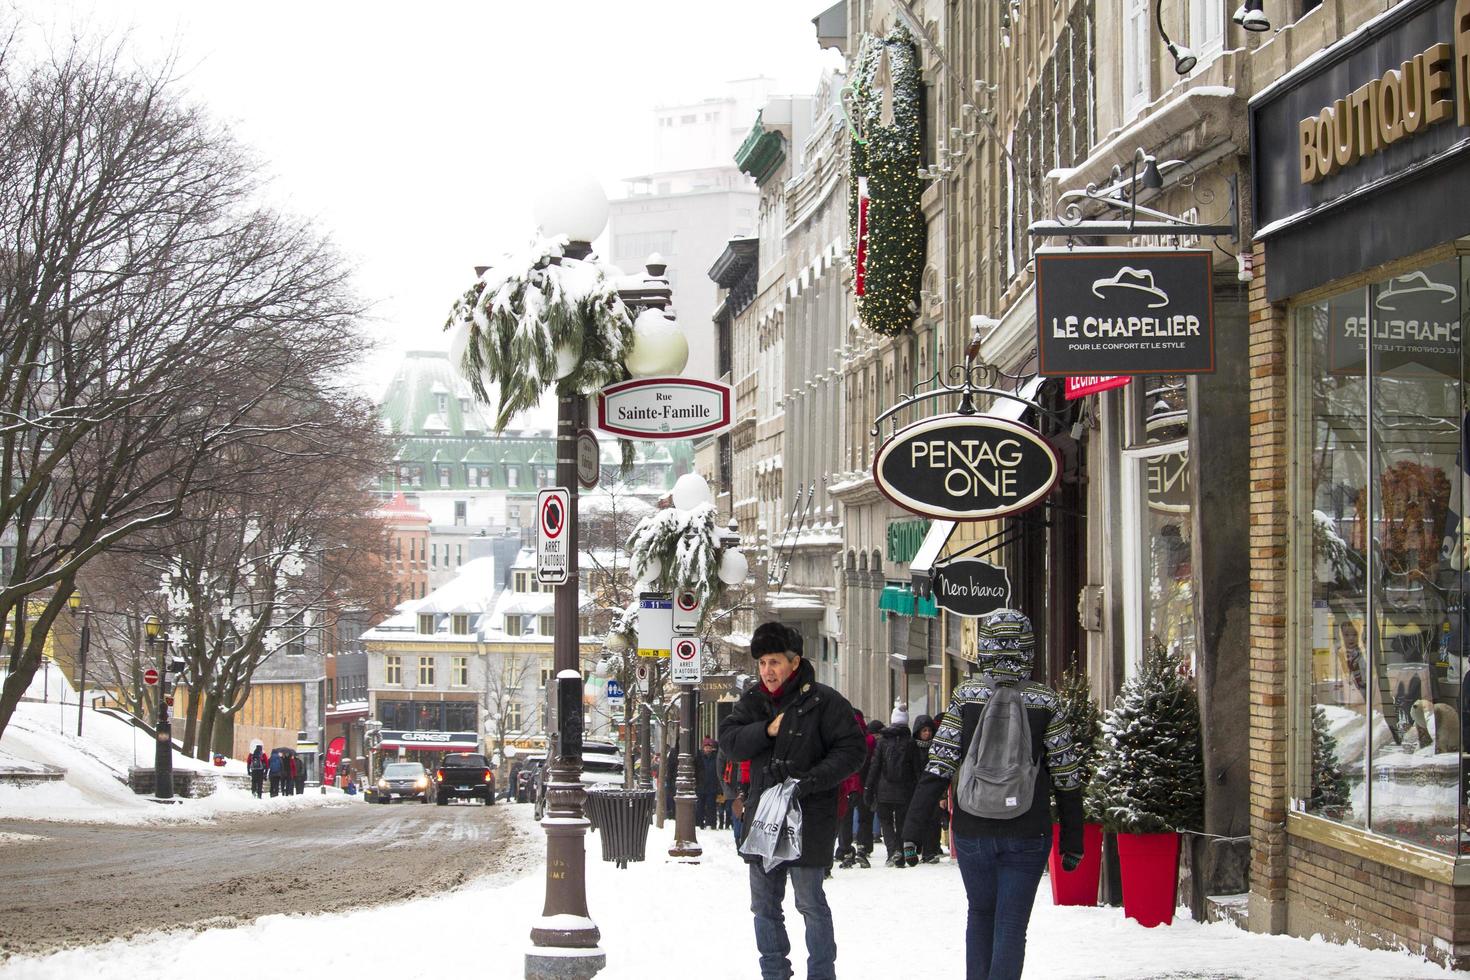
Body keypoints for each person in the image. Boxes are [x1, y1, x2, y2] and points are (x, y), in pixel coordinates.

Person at [902, 609, 1084, 980]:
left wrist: (911, 833)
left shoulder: (965, 696)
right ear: (1028, 649)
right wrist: (1073, 840)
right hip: (1028, 830)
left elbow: (939, 764)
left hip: (972, 829)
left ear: (984, 648)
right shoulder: (1046, 701)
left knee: (980, 913)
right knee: (1012, 924)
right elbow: (1066, 774)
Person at [718, 622, 866, 980]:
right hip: (763, 818)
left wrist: (811, 780)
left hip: (809, 817)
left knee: (810, 903)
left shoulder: (825, 701)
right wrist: (766, 730)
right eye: (762, 663)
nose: (767, 671)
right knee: (764, 906)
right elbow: (729, 742)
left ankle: (821, 973)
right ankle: (774, 972)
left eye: (774, 662)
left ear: (794, 662)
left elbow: (852, 750)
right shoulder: (753, 701)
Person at [867, 703, 919, 867]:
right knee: (902, 822)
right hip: (905, 791)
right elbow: (917, 768)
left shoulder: (882, 742)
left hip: (884, 790)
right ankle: (901, 854)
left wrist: (868, 788)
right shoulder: (911, 742)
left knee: (886, 822)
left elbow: (874, 766)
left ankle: (892, 852)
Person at [833, 709, 876, 869]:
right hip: (866, 783)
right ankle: (863, 848)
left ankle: (846, 850)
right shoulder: (869, 740)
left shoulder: (842, 740)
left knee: (845, 818)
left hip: (846, 784)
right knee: (865, 818)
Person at [911, 714, 944, 863]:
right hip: (915, 790)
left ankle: (930, 851)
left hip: (932, 790)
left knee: (933, 821)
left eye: (929, 730)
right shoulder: (911, 747)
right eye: (924, 730)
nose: (927, 733)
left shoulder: (936, 748)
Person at [696, 738, 721, 829]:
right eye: (706, 747)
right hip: (701, 786)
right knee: (700, 807)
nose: (708, 749)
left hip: (712, 786)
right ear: (703, 748)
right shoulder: (699, 758)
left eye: (709, 747)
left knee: (711, 807)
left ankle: (711, 823)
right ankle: (699, 823)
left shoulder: (715, 758)